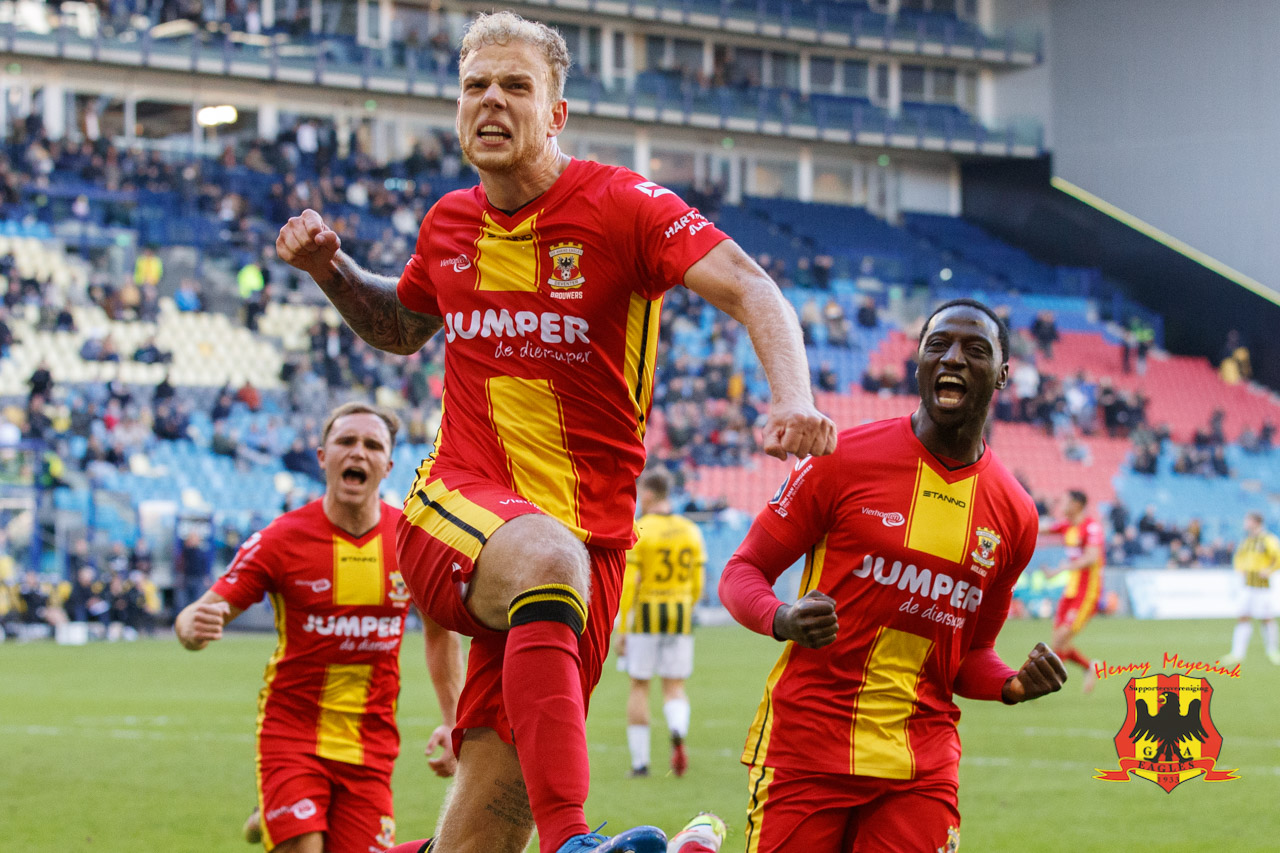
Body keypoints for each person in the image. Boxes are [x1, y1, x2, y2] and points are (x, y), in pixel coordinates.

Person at [276, 12, 835, 853]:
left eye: (514, 86)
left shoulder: (626, 208)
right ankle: (577, 843)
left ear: (557, 113)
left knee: (488, 830)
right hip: (455, 511)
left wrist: (793, 397)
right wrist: (331, 270)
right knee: (545, 557)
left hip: (588, 554)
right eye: (474, 86)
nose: (490, 102)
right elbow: (401, 323)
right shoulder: (448, 224)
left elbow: (752, 286)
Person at [718, 298, 1066, 852]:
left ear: (1003, 375)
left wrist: (1010, 684)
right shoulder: (842, 459)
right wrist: (782, 617)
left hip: (921, 764)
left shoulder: (1015, 513)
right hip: (809, 749)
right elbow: (743, 571)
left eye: (974, 350)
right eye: (938, 346)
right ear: (919, 364)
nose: (953, 358)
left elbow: (970, 654)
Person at [174, 402, 464, 853]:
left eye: (372, 445)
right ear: (321, 457)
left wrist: (453, 722)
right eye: (346, 442)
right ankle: (284, 810)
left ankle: (271, 818)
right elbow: (199, 613)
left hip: (370, 743)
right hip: (293, 733)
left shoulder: (410, 541)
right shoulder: (280, 539)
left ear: (388, 465)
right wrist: (192, 627)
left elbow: (440, 633)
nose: (358, 453)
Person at [616, 470, 708, 779]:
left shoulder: (640, 529)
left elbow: (630, 585)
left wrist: (623, 629)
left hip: (646, 615)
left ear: (650, 494)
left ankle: (640, 764)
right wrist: (687, 605)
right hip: (680, 614)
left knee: (639, 685)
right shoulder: (690, 530)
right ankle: (677, 730)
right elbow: (698, 583)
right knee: (675, 686)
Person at [1040, 489, 1105, 692]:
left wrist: (1063, 568)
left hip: (1087, 593)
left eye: (1066, 501)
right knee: (1059, 642)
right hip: (1071, 591)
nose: (1062, 506)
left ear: (1077, 504)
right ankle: (1089, 667)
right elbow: (1041, 528)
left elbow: (1092, 557)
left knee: (1060, 639)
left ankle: (1043, 683)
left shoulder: (1091, 527)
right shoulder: (1067, 527)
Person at [1224, 511, 1280, 665]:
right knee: (1243, 616)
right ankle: (1237, 654)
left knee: (1266, 618)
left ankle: (1273, 651)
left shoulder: (1269, 539)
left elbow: (1277, 558)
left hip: (1262, 586)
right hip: (1247, 586)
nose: (1245, 523)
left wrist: (1268, 571)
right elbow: (1239, 557)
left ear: (1256, 522)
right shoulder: (1247, 540)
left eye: (1247, 520)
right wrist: (1239, 568)